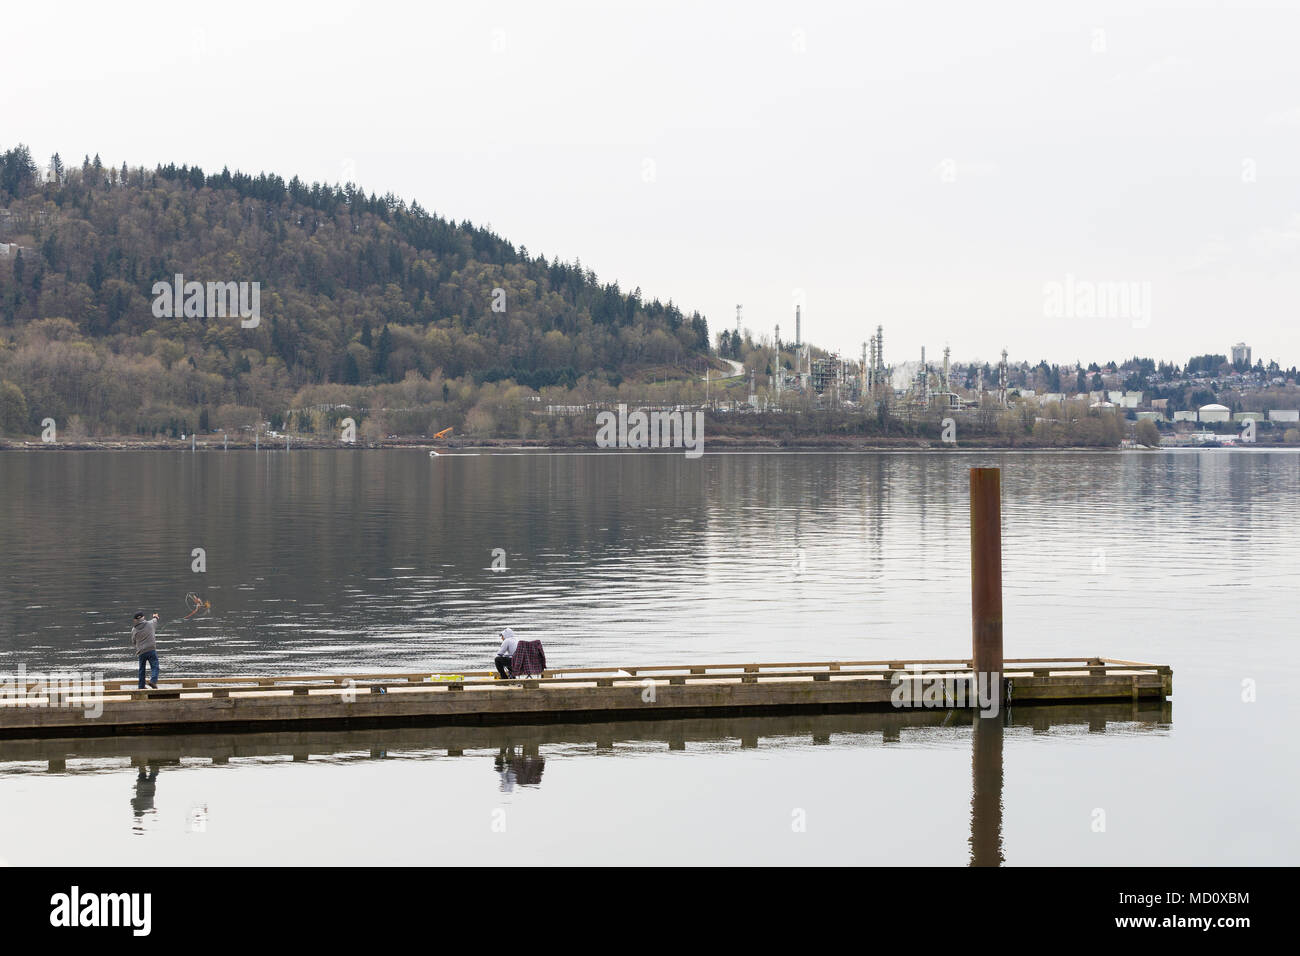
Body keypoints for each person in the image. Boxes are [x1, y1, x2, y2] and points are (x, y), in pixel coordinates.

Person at [131, 611, 161, 689]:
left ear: (135, 620)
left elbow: (133, 642)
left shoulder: (134, 630)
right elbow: (155, 619)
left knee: (142, 669)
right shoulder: (150, 624)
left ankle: (141, 686)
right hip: (151, 650)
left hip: (141, 652)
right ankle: (153, 681)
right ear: (143, 617)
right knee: (155, 666)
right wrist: (155, 616)